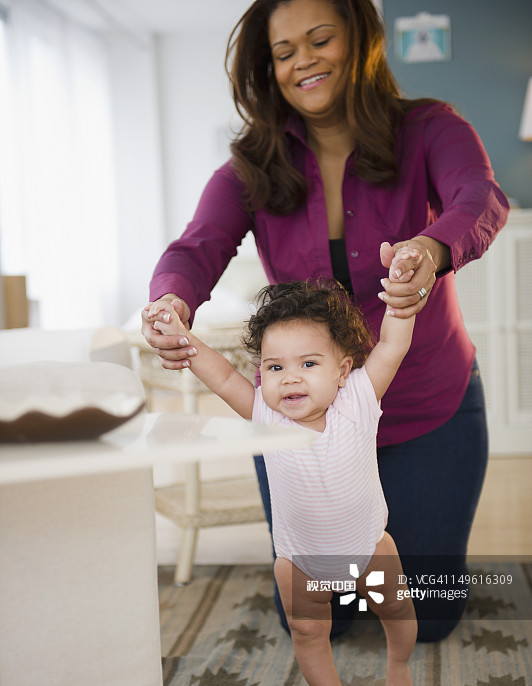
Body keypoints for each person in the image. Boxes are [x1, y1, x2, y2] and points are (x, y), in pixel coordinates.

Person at [142, 0, 510, 641]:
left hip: (428, 406)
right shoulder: (249, 167)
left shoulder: (429, 128)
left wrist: (430, 247)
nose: (302, 60)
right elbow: (194, 248)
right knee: (320, 622)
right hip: (299, 426)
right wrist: (172, 300)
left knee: (426, 620)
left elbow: (478, 197)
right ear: (269, 67)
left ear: (359, 42)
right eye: (284, 52)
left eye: (319, 40)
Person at [149, 277, 418, 686]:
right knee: (308, 633)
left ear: (342, 370)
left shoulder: (358, 399)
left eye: (308, 363)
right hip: (300, 562)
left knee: (397, 611)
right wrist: (182, 335)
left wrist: (401, 296)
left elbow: (392, 345)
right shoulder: (266, 417)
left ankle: (398, 666)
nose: (289, 377)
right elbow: (220, 374)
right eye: (274, 367)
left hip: (370, 548)